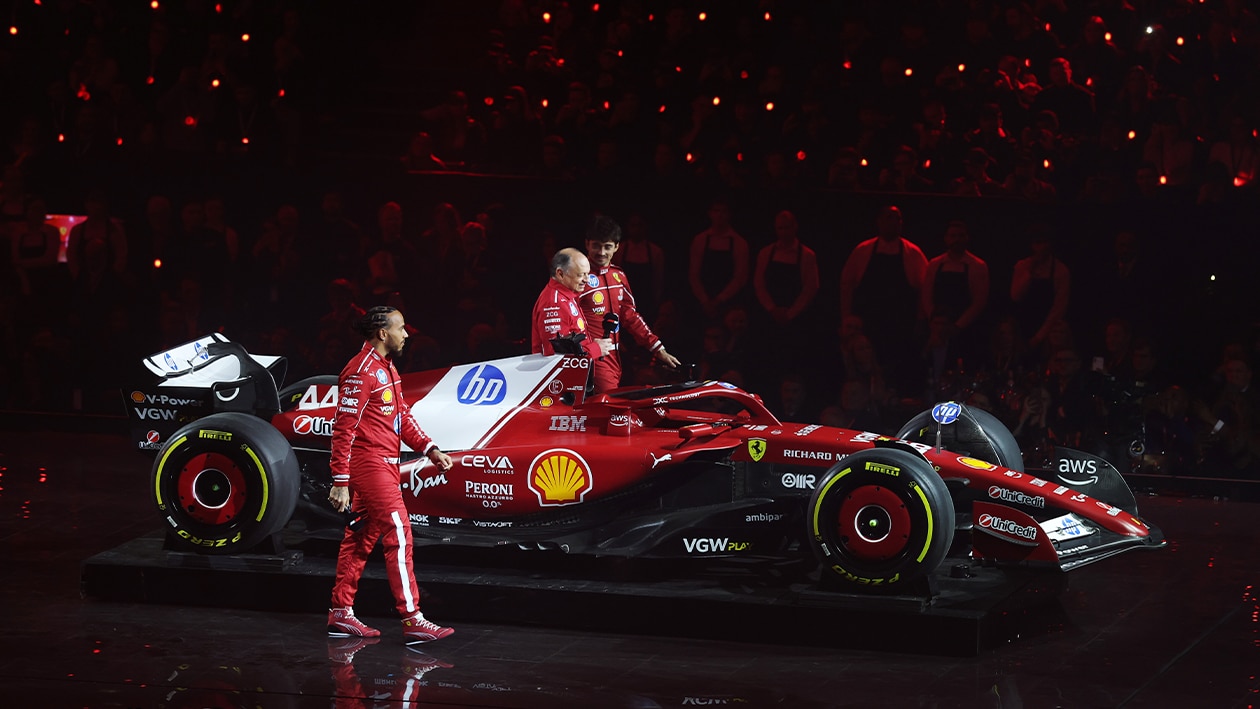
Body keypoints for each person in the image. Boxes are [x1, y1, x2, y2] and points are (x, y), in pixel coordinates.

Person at [327, 306, 455, 645]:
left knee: (360, 536)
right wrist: (340, 481)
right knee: (398, 532)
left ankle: (340, 612)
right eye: (401, 328)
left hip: (385, 463)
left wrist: (430, 449)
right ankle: (412, 618)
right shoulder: (360, 371)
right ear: (383, 333)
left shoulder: (387, 368)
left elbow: (402, 417)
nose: (406, 334)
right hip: (369, 464)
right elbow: (344, 428)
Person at [576, 216, 679, 393]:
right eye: (596, 246)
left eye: (607, 246)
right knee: (608, 405)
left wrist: (657, 348)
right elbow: (564, 318)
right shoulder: (576, 277)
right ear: (587, 244)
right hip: (591, 357)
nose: (601, 252)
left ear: (617, 247)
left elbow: (629, 316)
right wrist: (586, 349)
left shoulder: (618, 276)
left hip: (616, 357)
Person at [531, 247, 611, 360]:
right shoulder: (554, 303)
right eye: (581, 275)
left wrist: (591, 345)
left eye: (587, 274)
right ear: (560, 274)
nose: (587, 280)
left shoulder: (567, 296)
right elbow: (556, 357)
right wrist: (596, 349)